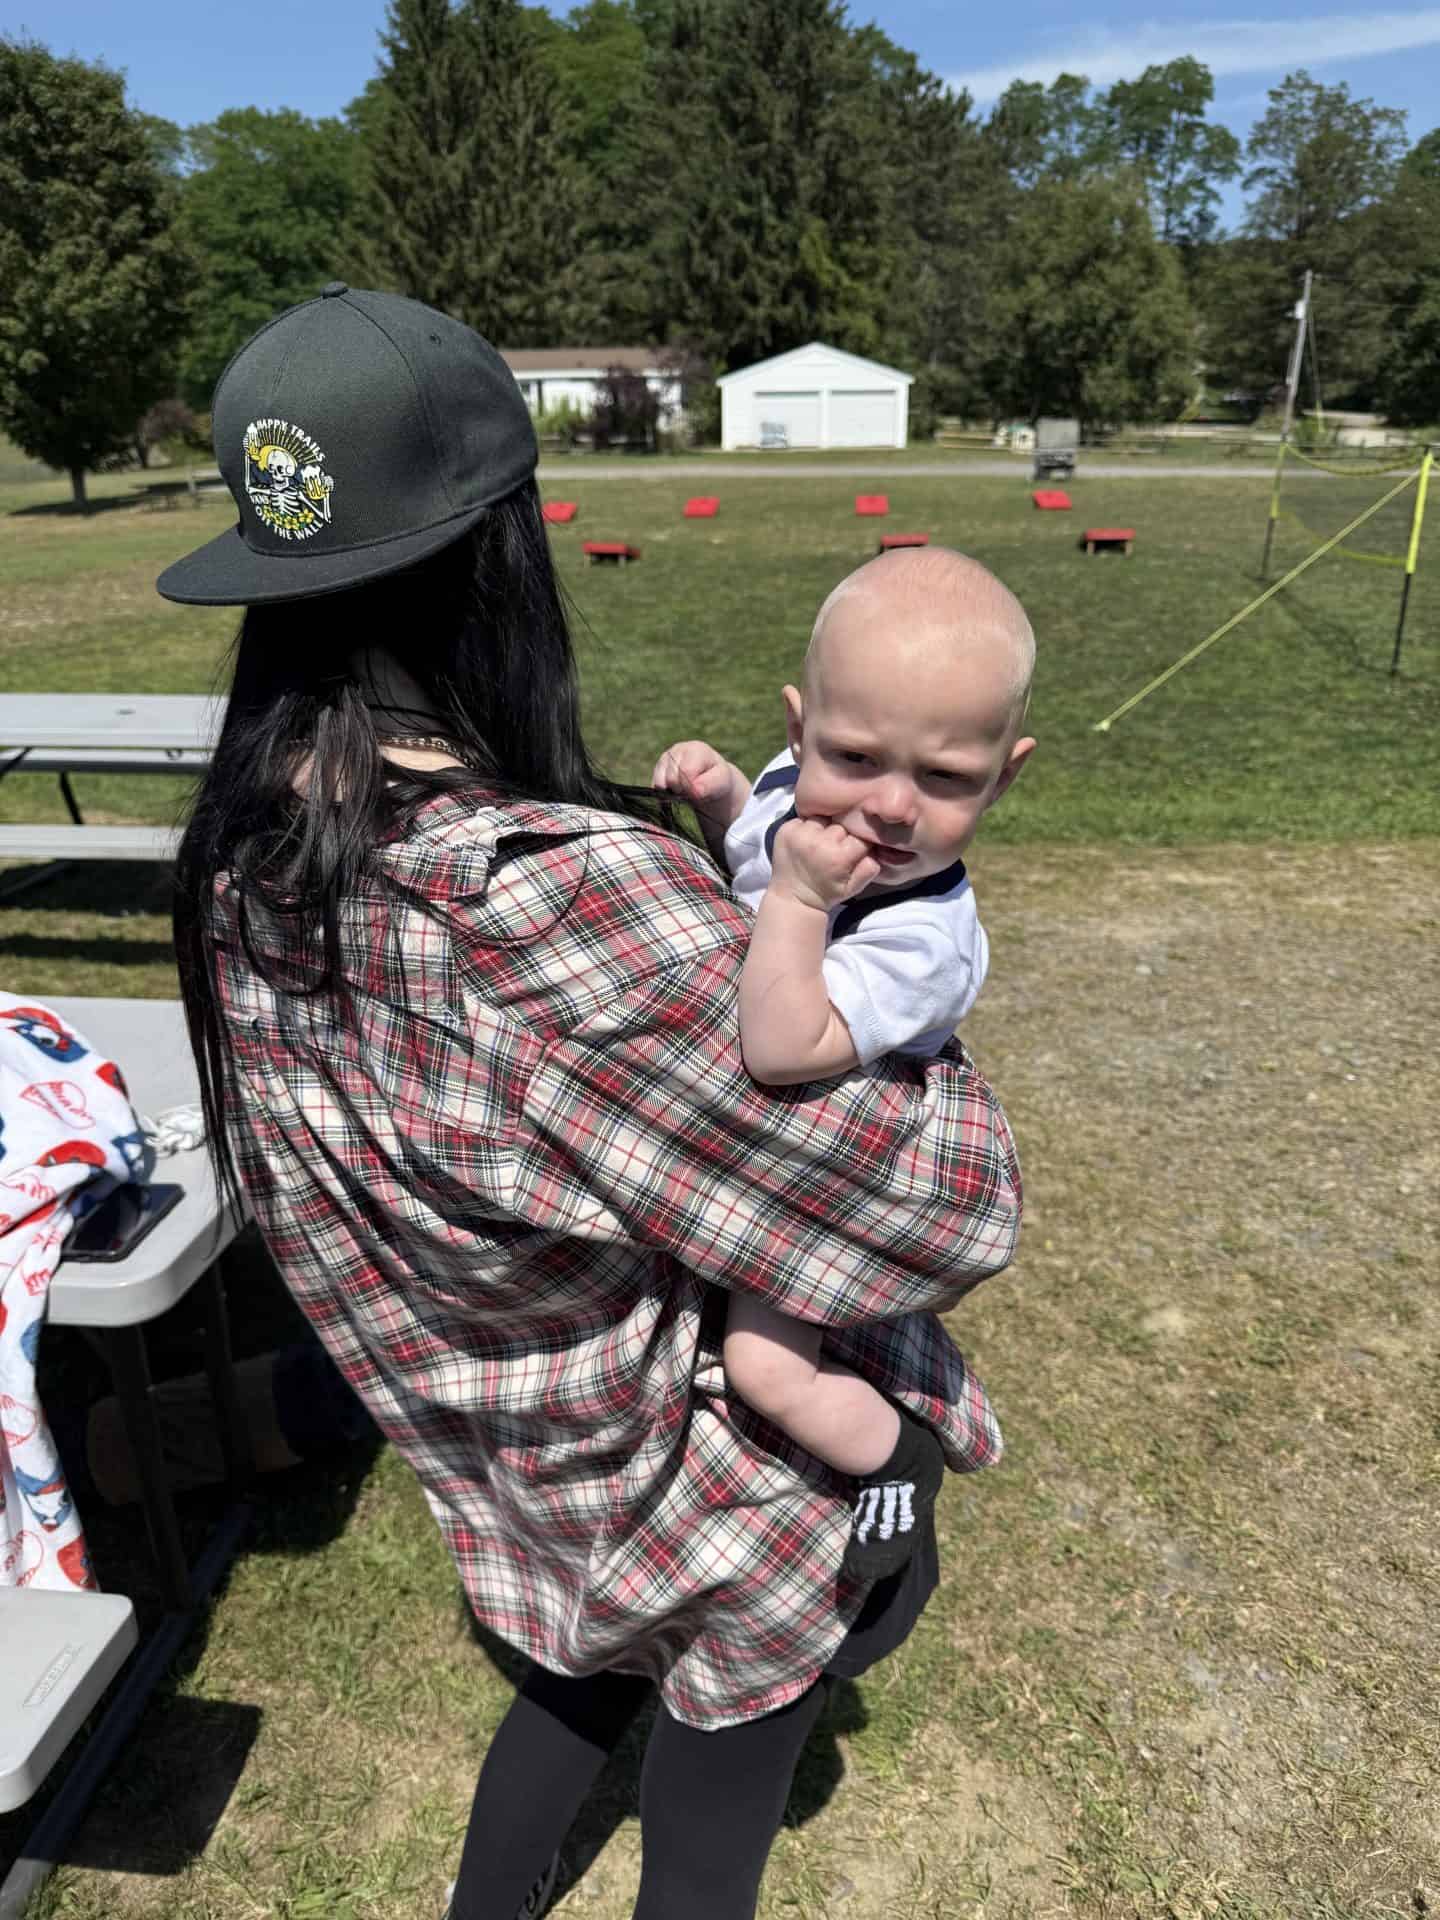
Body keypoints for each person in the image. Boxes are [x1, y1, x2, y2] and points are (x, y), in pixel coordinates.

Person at [159, 284, 1023, 1920]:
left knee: (562, 1707)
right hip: (695, 1508)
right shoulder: (548, 911)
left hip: (526, 1495)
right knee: (712, 1830)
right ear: (507, 557)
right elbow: (952, 1199)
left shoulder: (236, 879)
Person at [651, 549, 1035, 1585]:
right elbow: (752, 847)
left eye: (947, 779)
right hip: (742, 1147)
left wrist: (802, 903)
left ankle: (892, 1461)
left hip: (825, 1172)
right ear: (798, 731)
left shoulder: (923, 939)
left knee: (766, 1368)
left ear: (1006, 777)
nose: (893, 809)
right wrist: (723, 793)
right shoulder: (800, 791)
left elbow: (783, 1049)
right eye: (856, 759)